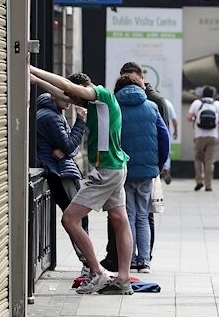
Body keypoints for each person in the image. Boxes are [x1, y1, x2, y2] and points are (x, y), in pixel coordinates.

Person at [30, 66, 134, 295]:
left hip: (107, 170)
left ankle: (97, 272)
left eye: (75, 98)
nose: (72, 102)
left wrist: (32, 68)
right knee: (119, 219)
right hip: (117, 167)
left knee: (69, 219)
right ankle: (123, 279)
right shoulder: (97, 104)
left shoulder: (101, 94)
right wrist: (35, 80)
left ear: (83, 89)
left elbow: (67, 89)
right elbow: (63, 93)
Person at [101, 62, 171, 272]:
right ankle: (145, 261)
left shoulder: (114, 107)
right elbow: (164, 137)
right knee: (143, 215)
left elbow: (107, 139)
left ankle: (129, 259)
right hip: (147, 170)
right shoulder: (151, 106)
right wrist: (157, 165)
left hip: (123, 170)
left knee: (128, 215)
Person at [36, 93, 89, 274]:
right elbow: (69, 145)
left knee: (76, 217)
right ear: (53, 97)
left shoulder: (53, 113)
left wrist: (67, 149)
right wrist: (81, 121)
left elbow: (70, 148)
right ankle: (88, 263)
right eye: (66, 98)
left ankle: (87, 262)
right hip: (61, 172)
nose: (71, 102)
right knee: (77, 217)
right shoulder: (51, 117)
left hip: (61, 169)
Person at [186, 86, 219, 191]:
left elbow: (188, 118)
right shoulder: (217, 104)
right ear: (213, 94)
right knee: (209, 161)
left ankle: (199, 181)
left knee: (198, 159)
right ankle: (208, 185)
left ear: (202, 94)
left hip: (199, 136)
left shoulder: (197, 103)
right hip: (213, 136)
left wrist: (196, 118)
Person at [160, 98, 179, 184]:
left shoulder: (150, 102)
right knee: (166, 150)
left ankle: (158, 169)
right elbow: (174, 119)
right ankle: (166, 169)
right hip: (165, 130)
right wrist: (176, 131)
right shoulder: (168, 103)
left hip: (152, 131)